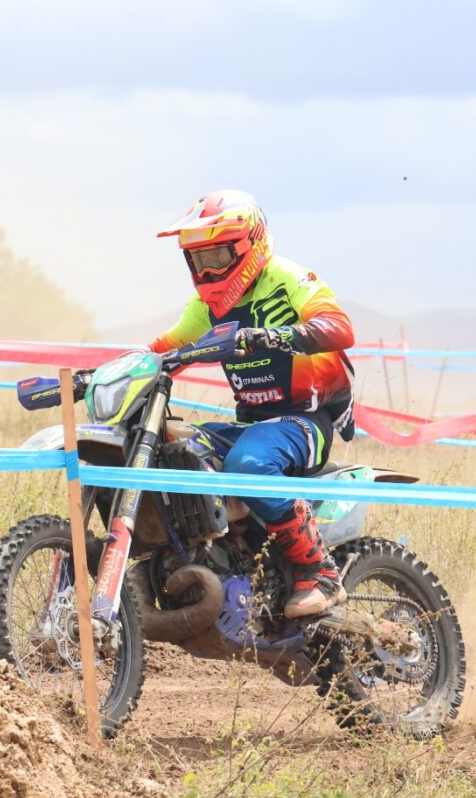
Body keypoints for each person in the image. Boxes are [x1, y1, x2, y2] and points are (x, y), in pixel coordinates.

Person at [149, 190, 356, 617]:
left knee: (248, 465)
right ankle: (224, 557)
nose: (207, 270)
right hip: (252, 424)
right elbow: (164, 350)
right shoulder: (206, 308)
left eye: (218, 256)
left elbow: (339, 327)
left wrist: (276, 336)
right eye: (198, 260)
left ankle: (321, 573)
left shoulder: (287, 278)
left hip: (305, 421)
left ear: (250, 244)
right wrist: (113, 372)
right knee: (176, 450)